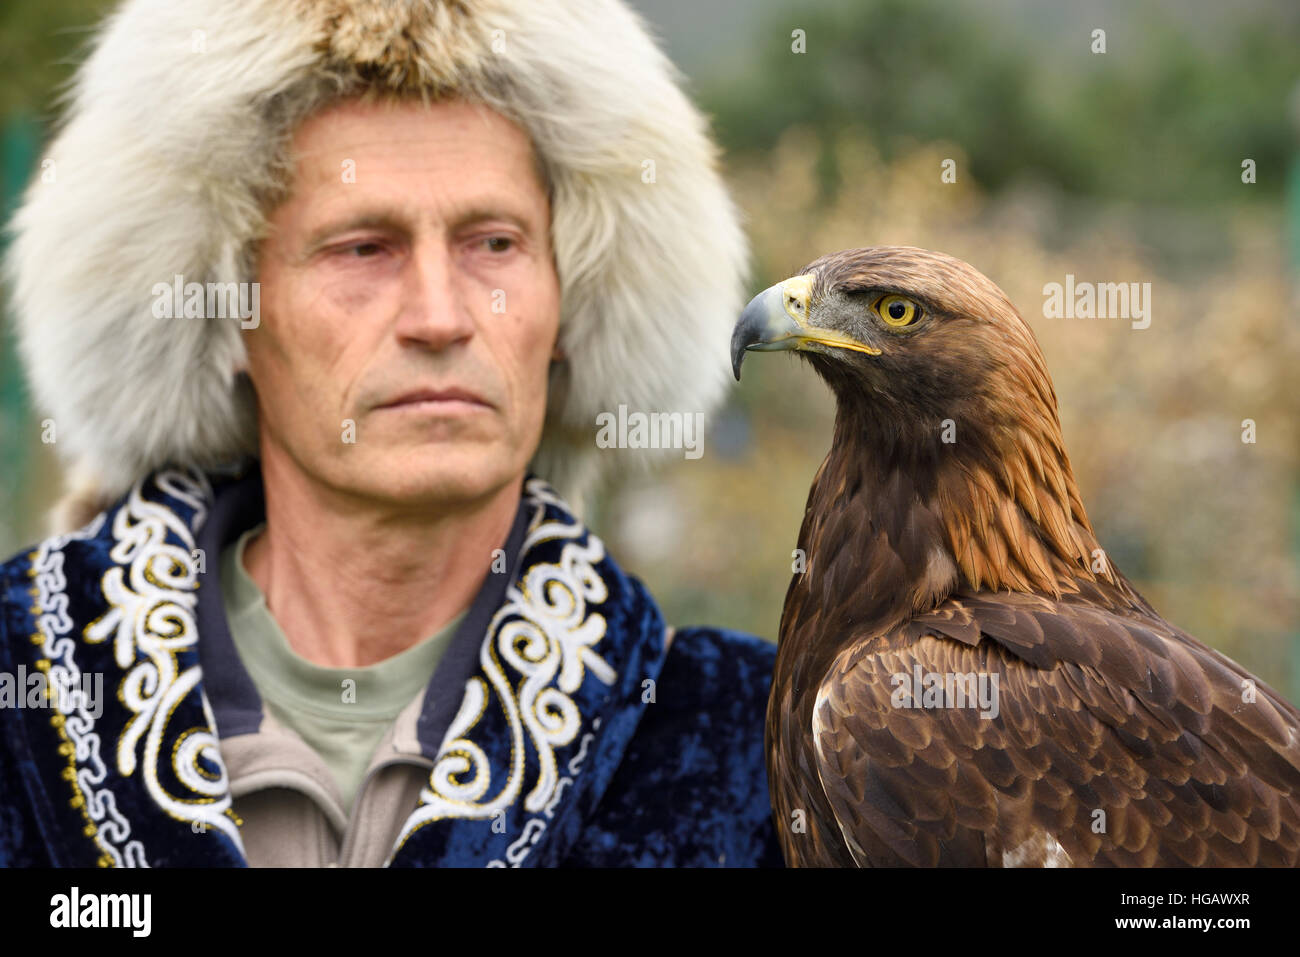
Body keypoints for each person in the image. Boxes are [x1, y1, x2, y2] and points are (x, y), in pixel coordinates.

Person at [0, 0, 782, 868]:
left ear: (570, 307)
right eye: (363, 248)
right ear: (222, 316)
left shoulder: (761, 741)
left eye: (494, 243)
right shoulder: (20, 700)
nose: (442, 317)